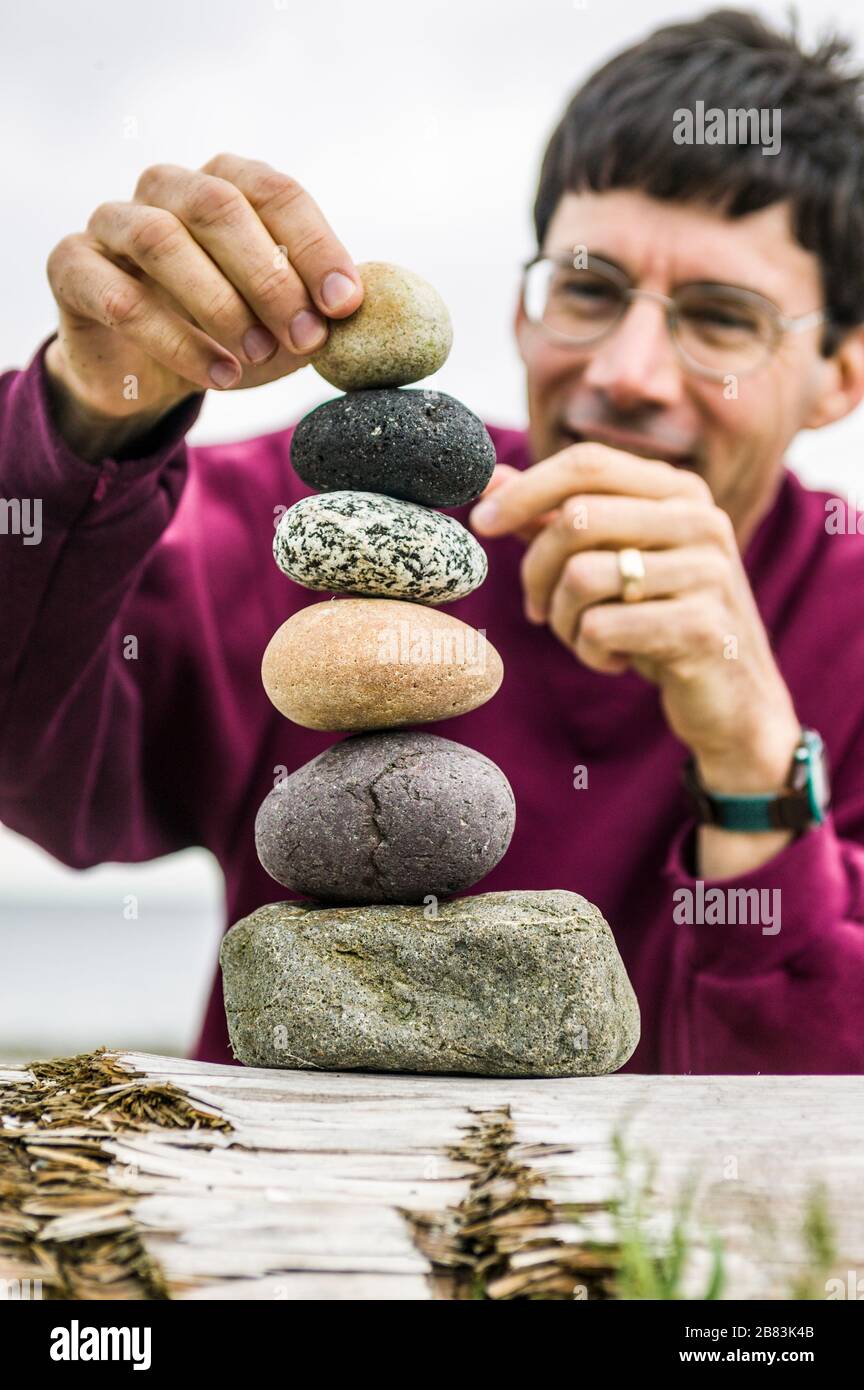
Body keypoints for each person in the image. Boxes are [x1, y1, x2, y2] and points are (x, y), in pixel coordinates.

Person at [3, 8, 864, 1073]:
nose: (627, 371)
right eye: (588, 290)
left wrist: (754, 769)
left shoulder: (850, 611)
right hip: (287, 1229)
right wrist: (87, 415)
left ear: (841, 375)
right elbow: (33, 756)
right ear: (520, 310)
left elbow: (817, 1150)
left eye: (722, 316)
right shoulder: (314, 517)